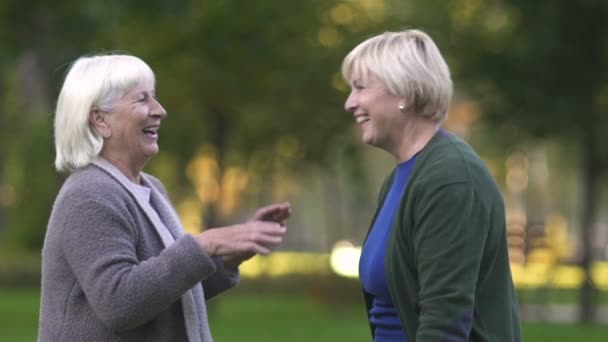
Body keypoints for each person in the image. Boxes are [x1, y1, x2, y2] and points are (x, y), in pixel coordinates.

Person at [38, 54, 291, 342]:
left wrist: (228, 259)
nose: (160, 110)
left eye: (154, 98)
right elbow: (120, 303)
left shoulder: (149, 188)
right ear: (100, 120)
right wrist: (204, 244)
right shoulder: (90, 195)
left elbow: (166, 293)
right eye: (142, 100)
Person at [342, 29, 522, 341]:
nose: (349, 103)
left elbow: (444, 325)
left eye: (360, 88)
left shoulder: (451, 180)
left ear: (405, 93)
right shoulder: (403, 177)